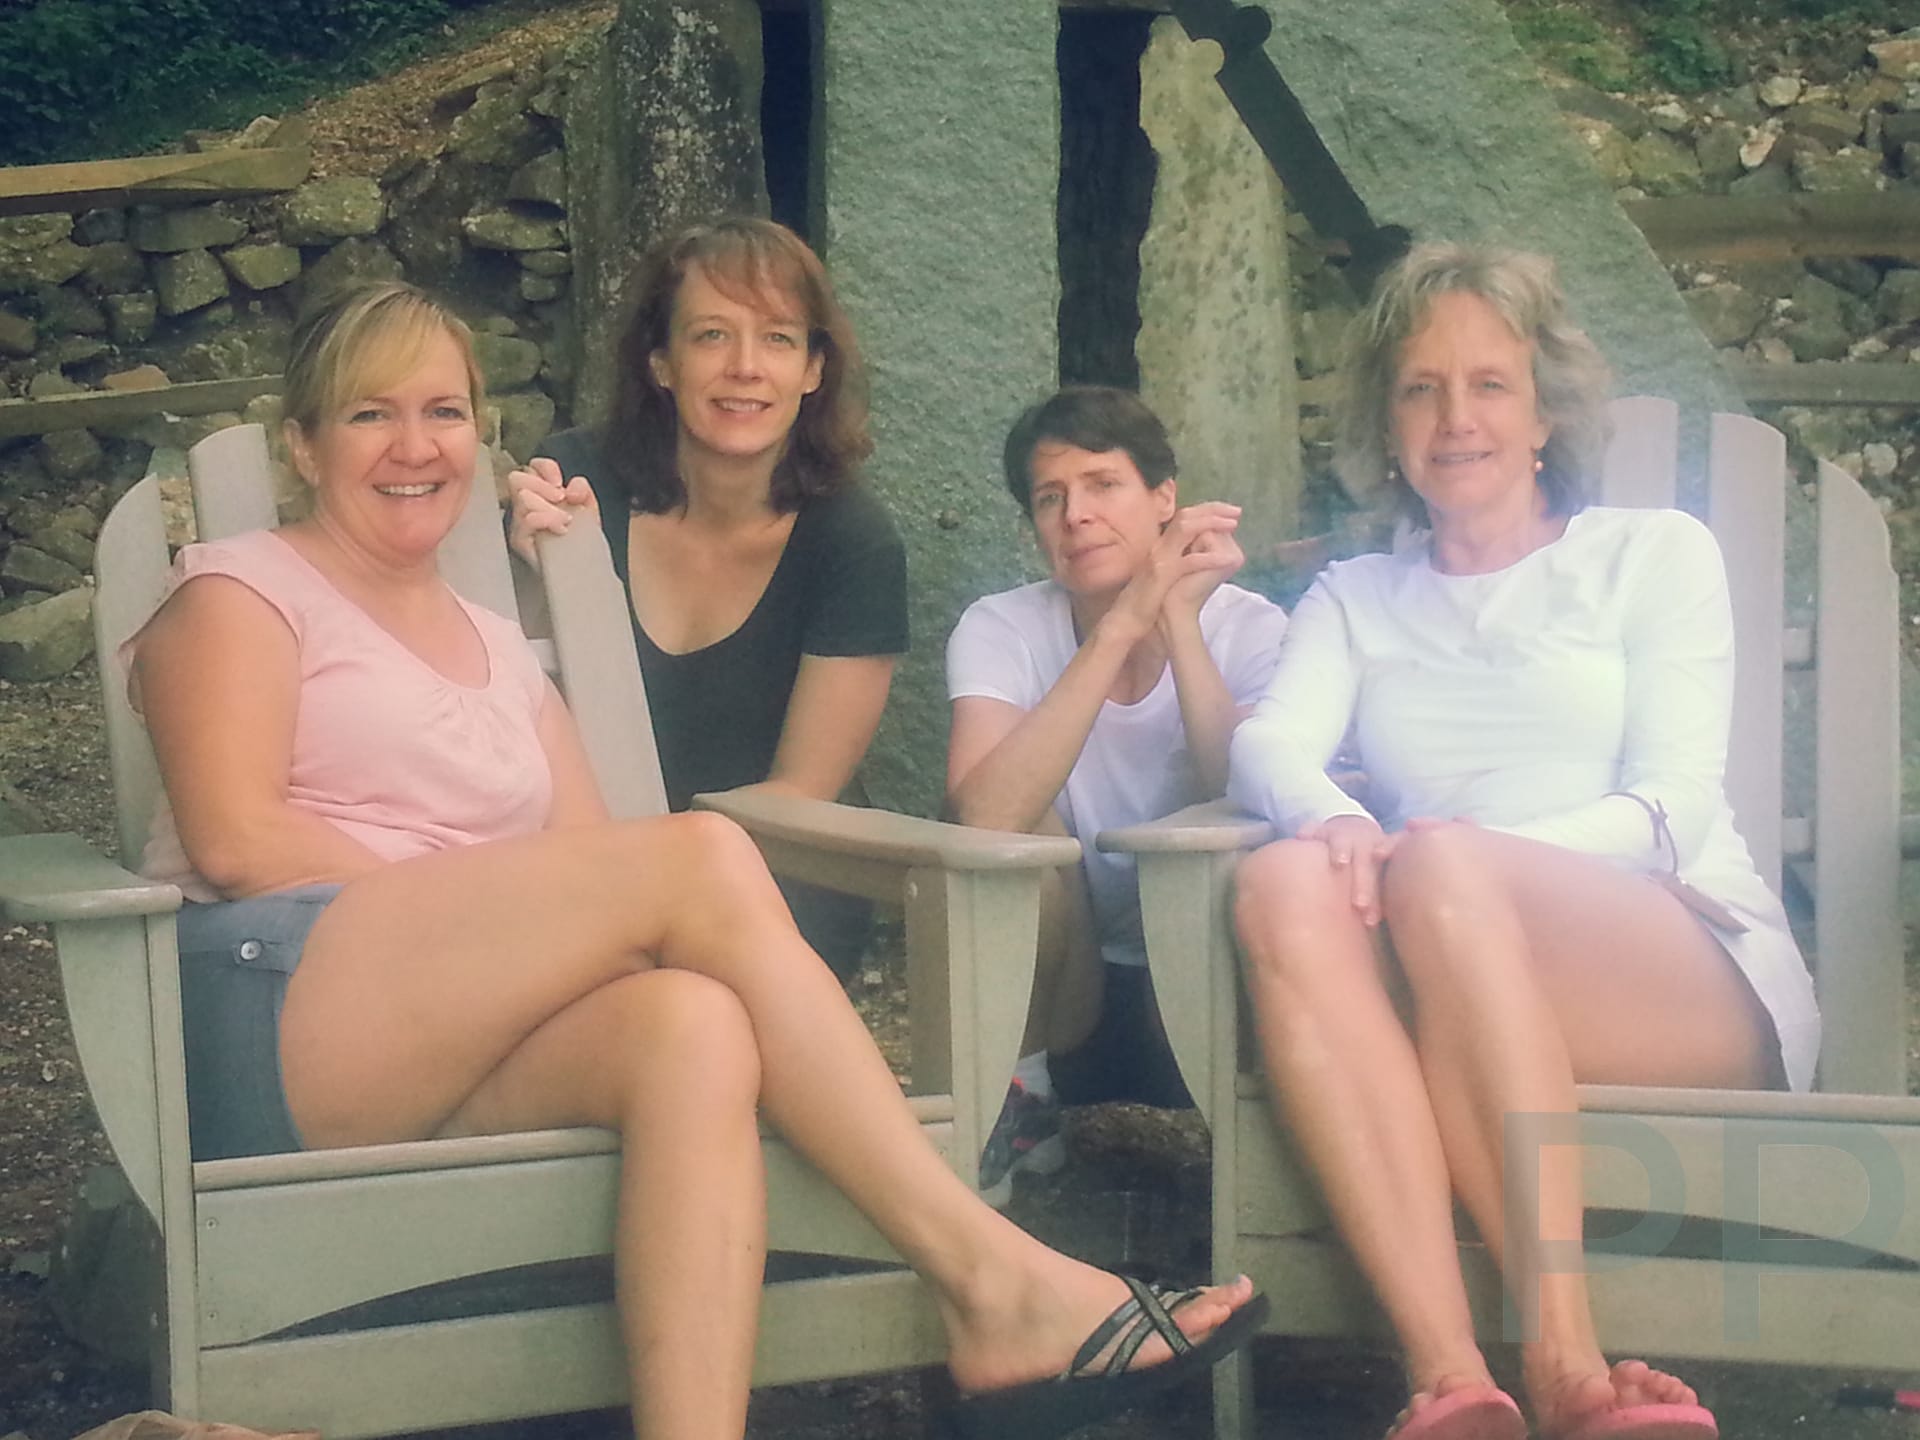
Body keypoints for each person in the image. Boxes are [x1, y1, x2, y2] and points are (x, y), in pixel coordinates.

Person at [124, 281, 1264, 1440]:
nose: (416, 447)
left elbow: (579, 856)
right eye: (371, 416)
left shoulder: (492, 643)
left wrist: (516, 930)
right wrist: (492, 909)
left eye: (446, 413)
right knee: (697, 857)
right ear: (302, 445)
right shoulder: (241, 589)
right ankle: (992, 1277)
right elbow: (238, 838)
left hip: (453, 1035)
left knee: (690, 1027)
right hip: (275, 1014)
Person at [1227, 243, 1820, 1440]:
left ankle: (1565, 1361)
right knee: (1284, 881)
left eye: (1489, 384)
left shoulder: (1649, 555)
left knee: (1440, 864)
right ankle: (1450, 1381)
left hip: (1676, 968)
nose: (1456, 419)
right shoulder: (1355, 598)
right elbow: (1268, 750)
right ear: (1385, 421)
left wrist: (1469, 859)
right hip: (1456, 967)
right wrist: (1342, 821)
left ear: (1544, 410)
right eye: (1421, 388)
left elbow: (1672, 812)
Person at [506, 216, 905, 976]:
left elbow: (802, 795)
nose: (745, 368)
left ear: (814, 370)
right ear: (661, 362)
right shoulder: (574, 482)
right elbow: (507, 711)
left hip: (770, 887)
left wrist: (659, 879)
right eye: (712, 336)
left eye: (780, 339)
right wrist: (533, 574)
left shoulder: (853, 542)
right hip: (580, 870)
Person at [946, 386, 1288, 1204]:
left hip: (1210, 989)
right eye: (1050, 498)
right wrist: (1118, 629)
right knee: (1020, 810)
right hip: (1064, 997)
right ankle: (1020, 1105)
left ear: (1164, 499)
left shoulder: (1256, 627)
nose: (1076, 516)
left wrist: (1178, 626)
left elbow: (1245, 793)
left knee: (1270, 831)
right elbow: (983, 816)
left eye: (1103, 485)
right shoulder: (1001, 626)